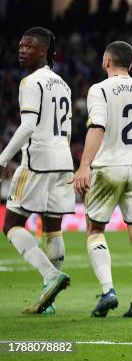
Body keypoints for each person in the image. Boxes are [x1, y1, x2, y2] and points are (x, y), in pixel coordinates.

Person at [72, 41, 132, 318]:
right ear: (130, 63)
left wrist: (84, 165)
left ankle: (108, 291)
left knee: (95, 228)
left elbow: (98, 126)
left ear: (106, 61)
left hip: (107, 165)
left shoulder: (99, 89)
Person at [0, 27, 73, 314]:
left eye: (29, 46)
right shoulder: (63, 84)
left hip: (38, 160)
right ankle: (49, 300)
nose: (21, 49)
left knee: (11, 225)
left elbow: (29, 125)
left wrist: (3, 158)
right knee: (52, 229)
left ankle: (50, 276)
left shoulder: (31, 82)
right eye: (20, 45)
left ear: (43, 51)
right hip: (63, 160)